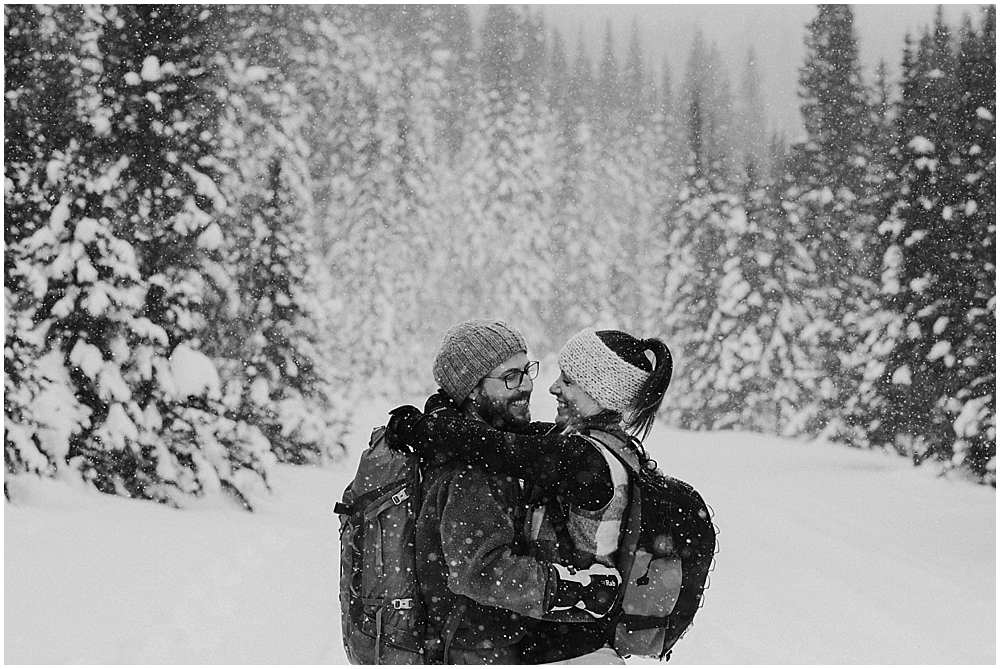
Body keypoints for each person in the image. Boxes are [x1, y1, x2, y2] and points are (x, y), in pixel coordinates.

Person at [388, 328, 674, 664]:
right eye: (512, 376)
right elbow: (509, 439)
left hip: (569, 650)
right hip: (577, 643)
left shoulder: (582, 458)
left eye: (567, 381)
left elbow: (495, 446)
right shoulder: (602, 446)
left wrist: (425, 428)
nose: (551, 387)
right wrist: (447, 403)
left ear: (599, 393)